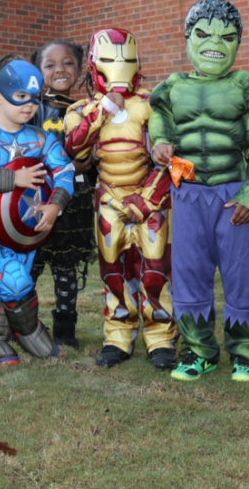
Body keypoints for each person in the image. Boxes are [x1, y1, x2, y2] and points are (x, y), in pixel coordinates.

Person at [149, 0, 249, 383]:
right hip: (188, 195)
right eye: (203, 34)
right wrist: (160, 145)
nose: (214, 43)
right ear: (188, 38)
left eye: (227, 36)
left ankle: (245, 352)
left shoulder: (245, 85)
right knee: (188, 273)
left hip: (233, 193)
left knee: (242, 274)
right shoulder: (170, 88)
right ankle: (199, 350)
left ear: (237, 43)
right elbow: (159, 127)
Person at [64, 29, 178, 369]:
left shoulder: (150, 103)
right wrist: (104, 109)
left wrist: (146, 201)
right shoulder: (80, 109)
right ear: (94, 65)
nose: (119, 67)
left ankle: (161, 338)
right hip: (108, 201)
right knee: (113, 272)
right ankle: (118, 336)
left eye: (126, 59)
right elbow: (75, 146)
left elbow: (167, 155)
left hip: (149, 202)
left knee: (156, 270)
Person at [0, 55, 74, 364]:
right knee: (16, 281)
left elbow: (64, 170)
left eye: (34, 98)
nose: (29, 105)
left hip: (27, 228)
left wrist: (55, 205)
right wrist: (14, 178)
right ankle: (30, 331)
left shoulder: (41, 138)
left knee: (10, 281)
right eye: (20, 96)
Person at [28, 41, 98, 349]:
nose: (60, 69)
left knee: (66, 268)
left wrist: (87, 165)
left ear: (80, 69)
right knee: (28, 267)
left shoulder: (87, 112)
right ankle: (21, 324)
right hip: (36, 203)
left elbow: (93, 161)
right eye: (50, 64)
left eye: (68, 63)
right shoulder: (30, 111)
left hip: (74, 207)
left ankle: (65, 330)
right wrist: (68, 166)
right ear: (38, 72)